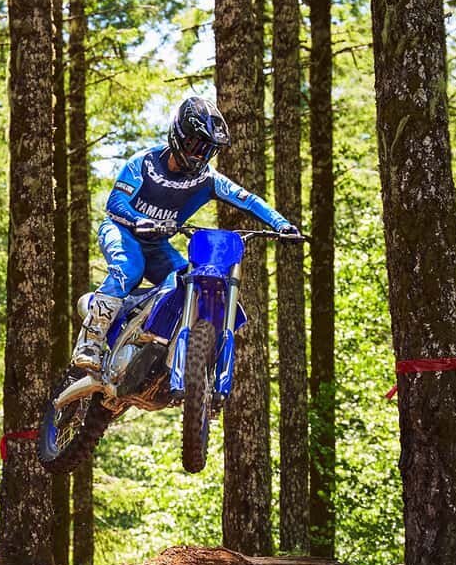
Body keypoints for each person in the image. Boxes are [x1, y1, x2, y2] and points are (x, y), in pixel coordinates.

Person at [71, 96, 299, 372]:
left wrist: (281, 225)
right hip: (121, 230)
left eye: (208, 150)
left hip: (157, 244)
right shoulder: (144, 163)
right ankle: (90, 342)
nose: (199, 155)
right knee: (129, 268)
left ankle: (157, 340)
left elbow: (247, 199)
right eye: (195, 146)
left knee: (189, 280)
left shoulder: (208, 178)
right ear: (179, 135)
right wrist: (139, 220)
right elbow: (116, 202)